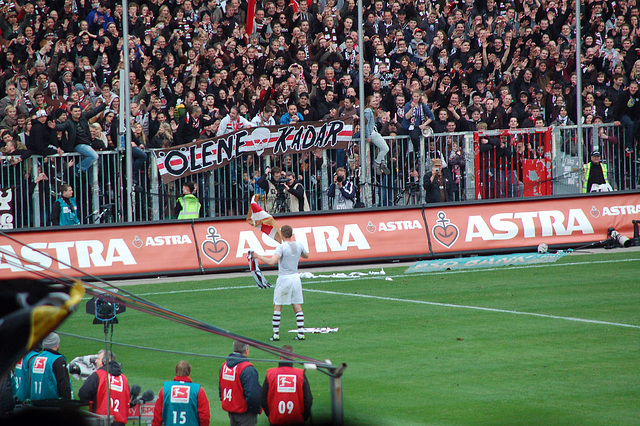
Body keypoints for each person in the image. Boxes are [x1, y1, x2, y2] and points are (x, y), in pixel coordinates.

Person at [252, 225, 309, 341]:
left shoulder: (281, 247)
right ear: (291, 234)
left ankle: (276, 334)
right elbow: (306, 255)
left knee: (278, 306)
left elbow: (272, 262)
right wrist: (297, 254)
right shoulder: (299, 245)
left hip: (284, 278)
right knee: (297, 305)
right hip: (296, 278)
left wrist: (258, 256)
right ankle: (301, 333)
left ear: (282, 234)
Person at [260, 345, 313, 426]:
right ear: (293, 357)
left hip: (276, 421)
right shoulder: (300, 375)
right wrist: (304, 417)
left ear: (280, 357)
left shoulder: (271, 374)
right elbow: (308, 399)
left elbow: (263, 398)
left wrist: (271, 415)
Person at [78, 350, 130, 426]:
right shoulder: (124, 378)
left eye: (98, 359)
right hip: (119, 422)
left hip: (101, 420)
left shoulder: (98, 375)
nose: (96, 361)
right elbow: (127, 401)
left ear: (105, 361)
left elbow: (83, 394)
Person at [153, 360, 210, 426]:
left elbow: (157, 414)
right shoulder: (198, 390)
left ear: (176, 372)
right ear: (189, 373)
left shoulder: (165, 389)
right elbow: (204, 416)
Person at [52, 103, 105, 174]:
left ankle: (90, 184)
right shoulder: (69, 122)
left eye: (79, 111)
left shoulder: (83, 117)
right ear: (71, 112)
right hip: (78, 145)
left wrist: (104, 104)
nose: (78, 113)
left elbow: (94, 111)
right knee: (94, 156)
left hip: (88, 143)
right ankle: (78, 168)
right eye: (76, 111)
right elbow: (62, 126)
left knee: (91, 167)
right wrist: (55, 126)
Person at [219, 340, 262, 426]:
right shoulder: (247, 369)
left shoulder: (224, 366)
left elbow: (221, 388)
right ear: (246, 350)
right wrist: (256, 410)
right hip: (245, 413)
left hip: (231, 411)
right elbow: (253, 395)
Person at [29, 332, 72, 402]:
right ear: (56, 344)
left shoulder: (35, 359)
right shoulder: (57, 360)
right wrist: (67, 403)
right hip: (51, 404)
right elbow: (63, 384)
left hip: (35, 403)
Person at [363, 95, 390, 175]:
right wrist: (368, 135)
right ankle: (377, 163)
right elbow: (366, 124)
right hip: (372, 133)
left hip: (374, 132)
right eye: (373, 101)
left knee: (382, 147)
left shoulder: (373, 111)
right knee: (385, 148)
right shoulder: (368, 111)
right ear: (369, 103)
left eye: (376, 101)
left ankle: (382, 162)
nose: (375, 103)